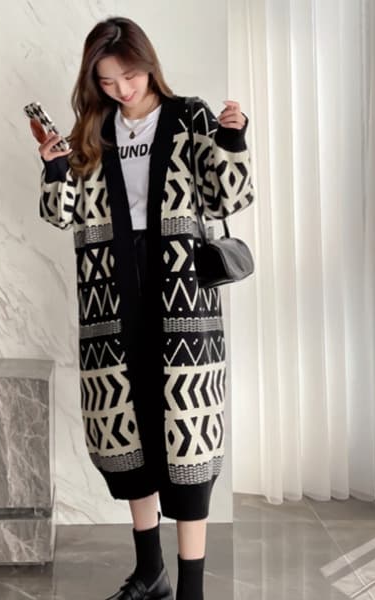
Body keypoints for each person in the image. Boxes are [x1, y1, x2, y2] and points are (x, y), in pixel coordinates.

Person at [30, 16, 254, 600]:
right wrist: (55, 166)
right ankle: (149, 572)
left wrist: (232, 139)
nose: (122, 90)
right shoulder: (91, 129)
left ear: (148, 65)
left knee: (187, 433)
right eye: (107, 81)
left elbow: (228, 198)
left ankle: (191, 589)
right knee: (126, 427)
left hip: (181, 289)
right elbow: (60, 214)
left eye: (128, 76)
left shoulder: (188, 117)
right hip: (110, 289)